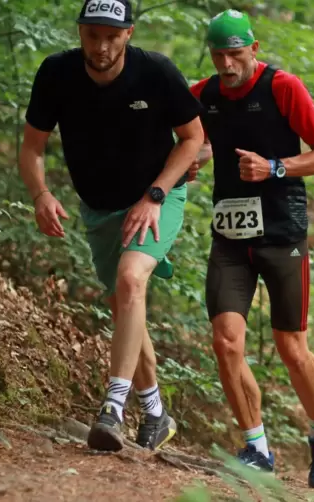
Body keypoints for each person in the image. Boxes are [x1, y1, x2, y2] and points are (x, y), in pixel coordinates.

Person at [18, 0, 204, 453]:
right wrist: (41, 194)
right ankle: (156, 414)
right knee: (125, 303)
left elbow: (194, 138)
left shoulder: (156, 71)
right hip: (98, 208)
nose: (101, 46)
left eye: (111, 36)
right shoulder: (56, 74)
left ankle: (113, 408)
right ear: (80, 32)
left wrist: (155, 196)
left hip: (157, 199)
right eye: (92, 35)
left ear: (128, 33)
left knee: (130, 279)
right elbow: (32, 147)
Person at [186, 9, 314, 489]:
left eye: (236, 53)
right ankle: (256, 446)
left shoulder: (282, 88)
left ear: (253, 48)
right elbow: (193, 140)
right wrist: (191, 157)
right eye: (219, 55)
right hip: (231, 239)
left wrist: (274, 168)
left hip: (281, 234)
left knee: (291, 348)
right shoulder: (202, 95)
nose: (228, 64)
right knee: (226, 341)